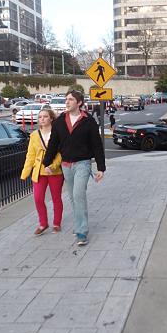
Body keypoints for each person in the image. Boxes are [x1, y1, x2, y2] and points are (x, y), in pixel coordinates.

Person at [43, 89, 105, 246]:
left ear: (79, 103)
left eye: (70, 99)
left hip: (83, 164)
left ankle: (82, 231)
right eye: (66, 99)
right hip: (66, 165)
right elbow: (53, 144)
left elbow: (97, 145)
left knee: (78, 195)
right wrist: (47, 163)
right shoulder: (59, 121)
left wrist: (100, 168)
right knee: (71, 196)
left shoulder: (88, 121)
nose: (67, 102)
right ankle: (78, 224)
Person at [21, 109, 64, 236]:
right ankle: (43, 223)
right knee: (38, 198)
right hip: (39, 171)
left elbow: (61, 152)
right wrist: (25, 172)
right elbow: (30, 155)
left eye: (45, 116)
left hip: (54, 171)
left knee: (56, 198)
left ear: (51, 118)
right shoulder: (34, 135)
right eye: (40, 117)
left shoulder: (58, 133)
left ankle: (57, 223)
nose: (42, 119)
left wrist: (53, 166)